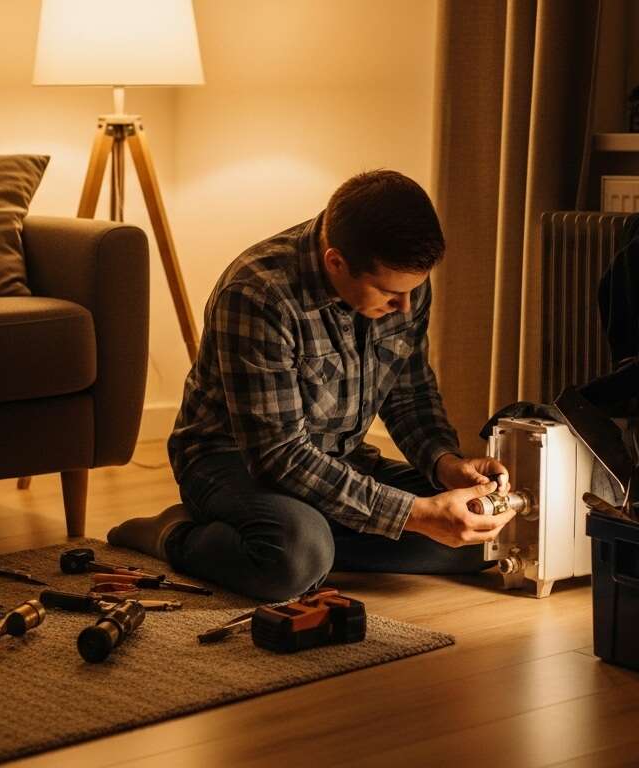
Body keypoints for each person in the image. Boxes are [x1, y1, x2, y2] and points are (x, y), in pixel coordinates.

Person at [108, 170, 512, 601]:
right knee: (295, 558)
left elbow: (410, 394)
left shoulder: (401, 278)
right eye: (391, 295)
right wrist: (414, 514)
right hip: (231, 463)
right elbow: (277, 455)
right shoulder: (258, 293)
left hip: (339, 460)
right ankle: (174, 532)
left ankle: (312, 536)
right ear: (336, 262)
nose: (406, 306)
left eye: (414, 290)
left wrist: (446, 465)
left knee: (482, 532)